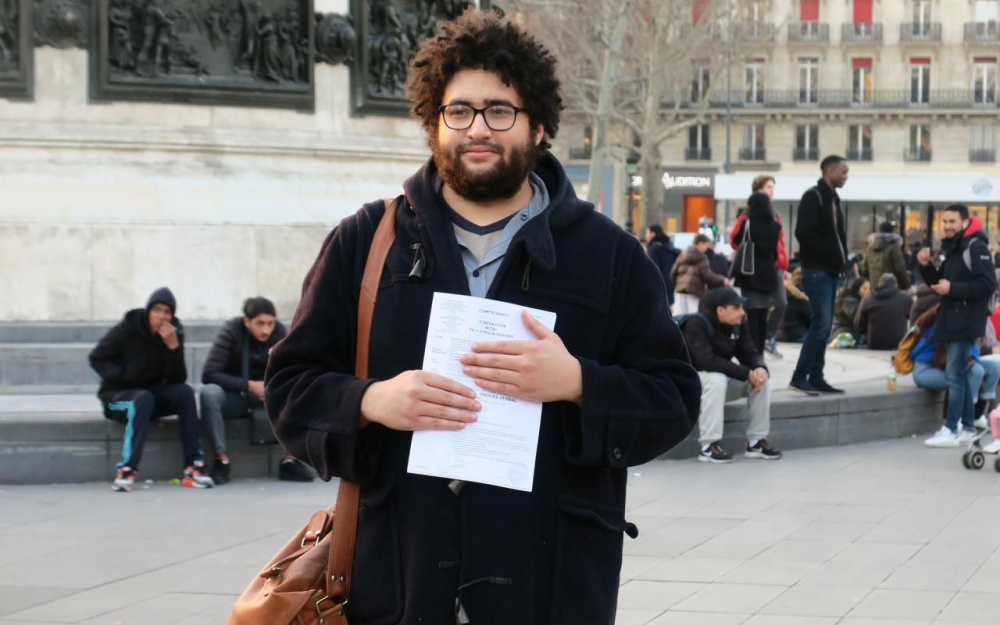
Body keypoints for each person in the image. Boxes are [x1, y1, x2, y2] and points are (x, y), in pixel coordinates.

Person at [263, 11, 701, 625]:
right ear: (433, 123)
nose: (478, 129)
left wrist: (577, 383)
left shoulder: (610, 256)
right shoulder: (365, 241)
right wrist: (371, 402)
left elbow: (675, 399)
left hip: (550, 590)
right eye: (459, 111)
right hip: (397, 584)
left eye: (500, 111)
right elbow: (289, 387)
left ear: (540, 125)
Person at [88, 287, 214, 492]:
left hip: (150, 398)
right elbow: (97, 358)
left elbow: (177, 379)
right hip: (117, 398)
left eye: (167, 312)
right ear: (148, 312)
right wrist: (124, 376)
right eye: (157, 310)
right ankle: (127, 469)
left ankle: (193, 466)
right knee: (142, 398)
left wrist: (173, 348)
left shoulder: (173, 333)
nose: (162, 317)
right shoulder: (127, 329)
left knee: (184, 392)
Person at [200, 297, 315, 485]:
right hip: (237, 395)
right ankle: (221, 459)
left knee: (305, 390)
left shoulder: (279, 332)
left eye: (270, 323)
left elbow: (292, 370)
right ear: (247, 321)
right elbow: (210, 373)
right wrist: (248, 385)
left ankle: (290, 459)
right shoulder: (232, 330)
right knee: (209, 393)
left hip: (270, 397)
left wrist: (272, 388)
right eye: (260, 323)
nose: (266, 330)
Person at [918, 204, 998, 447]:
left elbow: (988, 285)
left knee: (954, 374)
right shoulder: (954, 248)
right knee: (960, 374)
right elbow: (939, 284)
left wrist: (953, 288)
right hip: (953, 319)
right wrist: (926, 266)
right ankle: (968, 427)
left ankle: (951, 429)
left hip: (966, 321)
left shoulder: (976, 247)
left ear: (965, 222)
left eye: (952, 221)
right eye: (945, 222)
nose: (948, 226)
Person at [680, 287, 782, 463]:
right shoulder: (695, 323)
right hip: (689, 386)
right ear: (720, 310)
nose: (742, 313)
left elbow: (749, 352)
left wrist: (759, 369)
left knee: (762, 382)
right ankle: (708, 446)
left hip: (714, 386)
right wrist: (745, 373)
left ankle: (756, 442)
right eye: (736, 308)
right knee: (716, 379)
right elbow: (707, 362)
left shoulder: (738, 324)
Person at [790, 155, 850, 395]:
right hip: (817, 270)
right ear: (829, 171)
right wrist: (831, 255)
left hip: (830, 270)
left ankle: (816, 376)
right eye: (843, 172)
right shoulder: (813, 197)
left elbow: (838, 236)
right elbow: (804, 233)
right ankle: (799, 376)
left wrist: (842, 259)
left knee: (823, 326)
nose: (846, 176)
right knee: (821, 324)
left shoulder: (834, 198)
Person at [911, 305, 1000, 446]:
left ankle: (975, 417)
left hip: (946, 364)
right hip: (927, 368)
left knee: (994, 368)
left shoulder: (968, 320)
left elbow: (972, 354)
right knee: (970, 374)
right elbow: (945, 357)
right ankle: (955, 423)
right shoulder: (952, 323)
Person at [729, 175, 790, 358]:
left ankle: (755, 348)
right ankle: (762, 347)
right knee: (762, 311)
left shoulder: (750, 220)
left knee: (754, 312)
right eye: (769, 187)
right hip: (768, 270)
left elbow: (736, 240)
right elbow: (775, 247)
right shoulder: (773, 224)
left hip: (751, 271)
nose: (772, 190)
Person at [671, 233, 729, 315]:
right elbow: (707, 275)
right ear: (701, 244)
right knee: (693, 316)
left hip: (679, 291)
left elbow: (673, 272)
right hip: (694, 290)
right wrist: (722, 280)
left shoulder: (683, 254)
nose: (706, 248)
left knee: (679, 316)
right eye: (706, 245)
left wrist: (678, 284)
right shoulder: (701, 257)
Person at [854, 274, 913, 350]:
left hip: (874, 343)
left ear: (879, 285)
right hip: (898, 343)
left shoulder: (867, 299)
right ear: (896, 285)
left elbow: (858, 324)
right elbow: (914, 318)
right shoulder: (906, 298)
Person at [863, 222, 911, 291]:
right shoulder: (894, 246)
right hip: (891, 286)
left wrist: (869, 280)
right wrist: (906, 285)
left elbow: (865, 267)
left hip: (874, 286)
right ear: (892, 231)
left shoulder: (870, 247)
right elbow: (900, 268)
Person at [645, 224, 677, 306]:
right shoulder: (669, 246)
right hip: (669, 284)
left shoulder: (654, 248)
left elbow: (652, 268)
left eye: (647, 233)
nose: (646, 236)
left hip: (658, 286)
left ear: (653, 234)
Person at [830, 278, 870, 345]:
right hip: (844, 330)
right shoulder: (849, 301)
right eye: (865, 288)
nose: (868, 291)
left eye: (869, 288)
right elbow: (856, 317)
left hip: (851, 330)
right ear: (857, 290)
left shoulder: (859, 300)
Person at [779, 269, 812, 343]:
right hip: (797, 334)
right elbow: (810, 318)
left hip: (781, 333)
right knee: (826, 339)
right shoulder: (802, 296)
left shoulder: (784, 291)